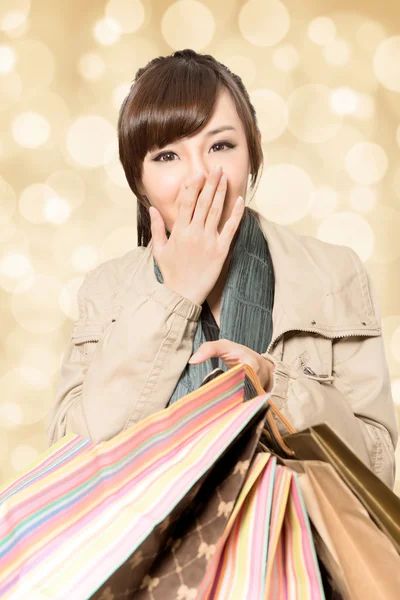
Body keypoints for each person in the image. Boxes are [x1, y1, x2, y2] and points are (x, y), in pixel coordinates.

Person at [46, 49, 397, 488]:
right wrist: (174, 297)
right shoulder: (106, 290)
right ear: (139, 181)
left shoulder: (332, 273)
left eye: (220, 146)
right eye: (167, 157)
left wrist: (276, 385)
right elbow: (70, 471)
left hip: (293, 548)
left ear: (252, 153)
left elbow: (378, 469)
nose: (200, 176)